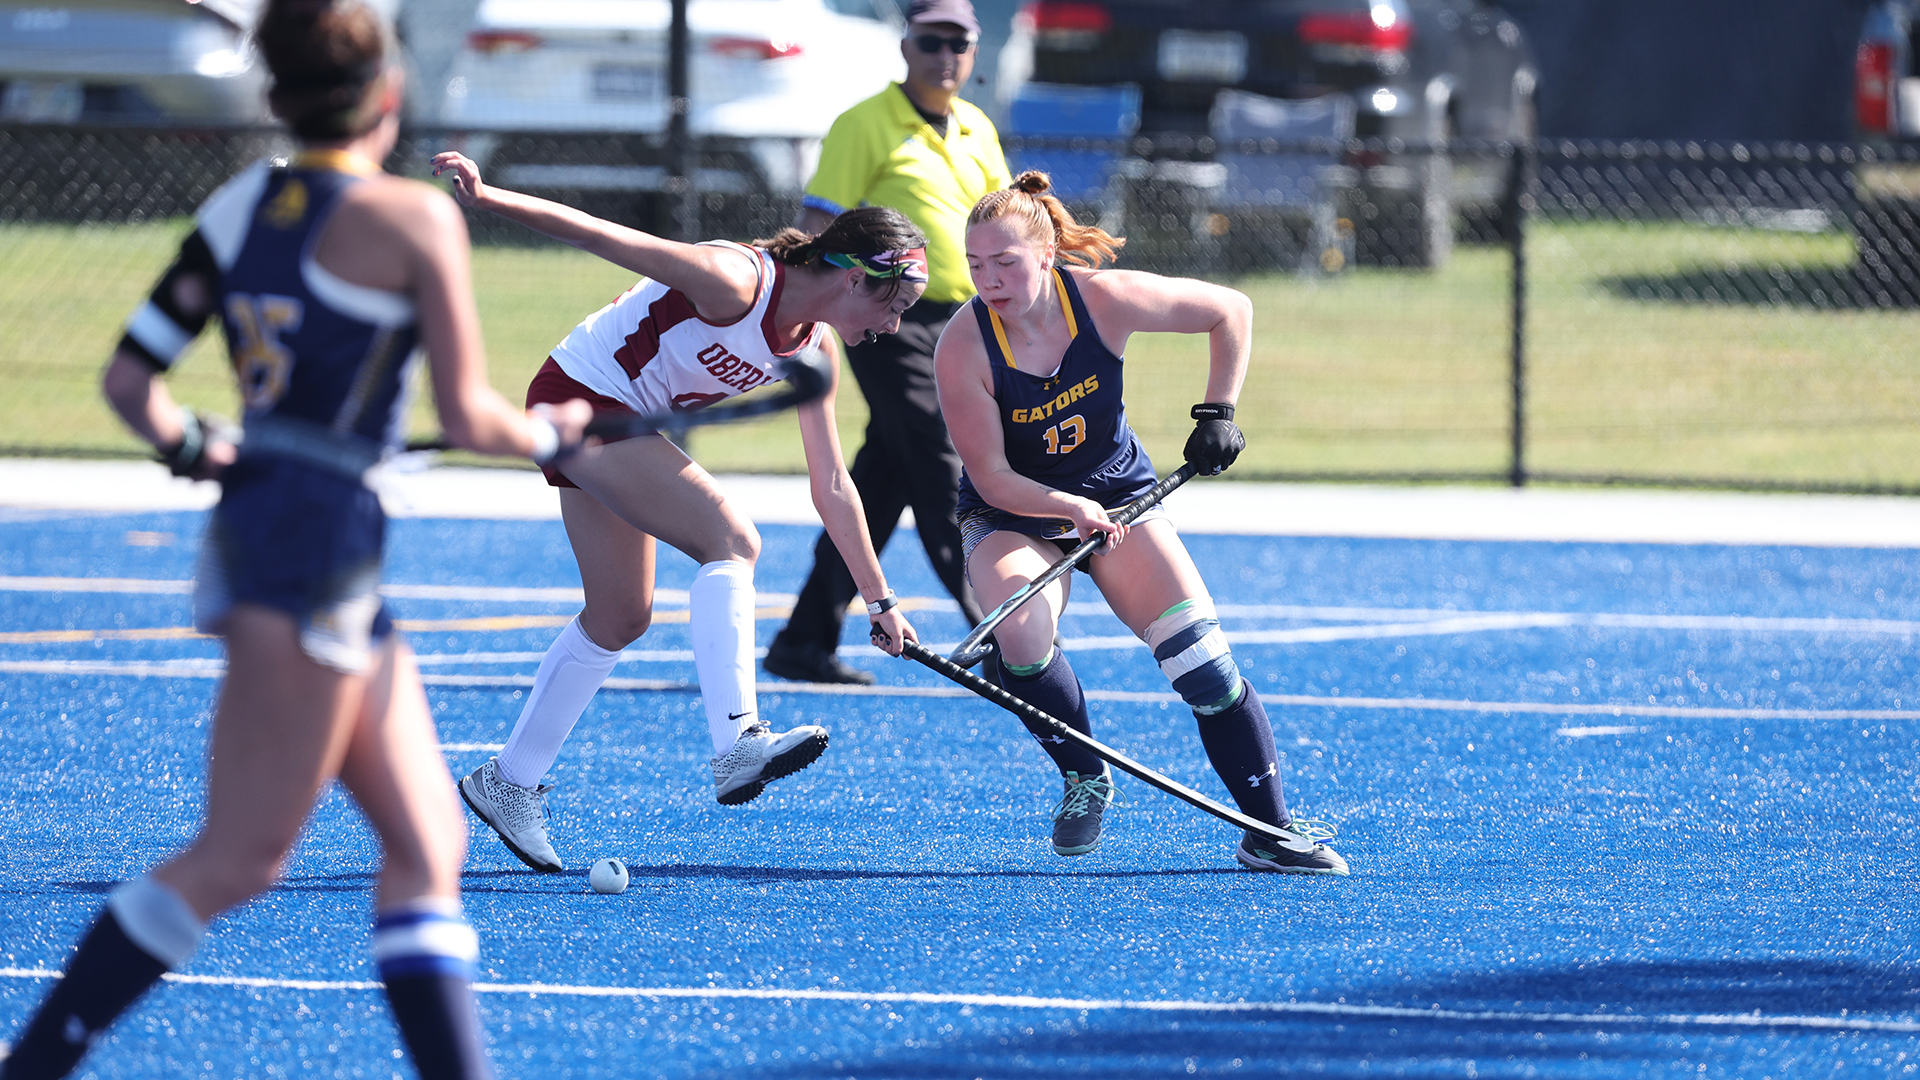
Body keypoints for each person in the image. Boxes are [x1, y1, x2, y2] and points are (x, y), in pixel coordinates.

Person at [0, 2, 594, 1077]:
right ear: (389, 95)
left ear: (274, 95)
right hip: (315, 544)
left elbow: (131, 383)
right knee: (240, 857)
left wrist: (199, 447)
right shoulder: (413, 217)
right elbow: (471, 418)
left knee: (429, 841)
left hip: (283, 528)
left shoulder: (239, 204)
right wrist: (555, 431)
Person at [429, 152, 922, 874]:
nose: (894, 327)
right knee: (732, 539)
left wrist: (879, 600)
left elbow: (832, 483)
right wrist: (488, 197)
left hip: (626, 422)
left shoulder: (816, 348)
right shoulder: (735, 281)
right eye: (893, 306)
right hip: (580, 398)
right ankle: (737, 742)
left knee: (619, 616)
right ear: (853, 279)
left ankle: (509, 781)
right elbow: (602, 234)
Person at [935, 172, 1350, 875]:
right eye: (976, 265)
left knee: (1204, 664)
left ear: (1047, 254)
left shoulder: (1103, 299)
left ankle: (1269, 830)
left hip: (1120, 500)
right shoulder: (962, 347)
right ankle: (1083, 772)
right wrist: (1070, 509)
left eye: (1005, 261)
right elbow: (994, 475)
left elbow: (1231, 310)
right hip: (1012, 514)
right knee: (1022, 633)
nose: (989, 280)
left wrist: (1217, 413)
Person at [761, 0, 1011, 685]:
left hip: (963, 323)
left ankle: (803, 640)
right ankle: (1001, 633)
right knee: (943, 457)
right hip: (885, 319)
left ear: (974, 50)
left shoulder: (978, 127)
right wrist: (802, 311)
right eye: (931, 41)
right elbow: (817, 225)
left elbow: (1006, 225)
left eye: (958, 42)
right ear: (906, 44)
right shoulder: (864, 123)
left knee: (884, 476)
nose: (945, 55)